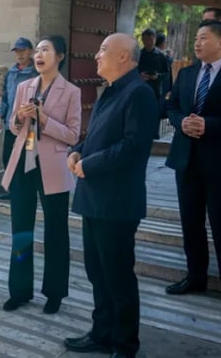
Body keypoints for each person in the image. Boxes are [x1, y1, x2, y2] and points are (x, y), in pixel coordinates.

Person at [63, 33, 158, 358]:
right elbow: (95, 138)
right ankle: (101, 333)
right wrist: (77, 152)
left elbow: (133, 148)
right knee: (96, 272)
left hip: (117, 202)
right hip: (93, 198)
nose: (97, 55)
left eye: (104, 50)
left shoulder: (140, 94)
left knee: (117, 276)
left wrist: (89, 165)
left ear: (124, 57)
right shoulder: (110, 92)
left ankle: (125, 344)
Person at [163, 20, 221, 315]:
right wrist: (182, 123)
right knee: (191, 222)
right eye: (196, 38)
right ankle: (196, 276)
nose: (197, 43)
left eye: (203, 38)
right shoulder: (188, 73)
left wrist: (210, 125)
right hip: (186, 159)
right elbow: (172, 107)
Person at [0, 35, 81, 315]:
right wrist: (20, 118)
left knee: (56, 231)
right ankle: (19, 290)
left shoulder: (71, 91)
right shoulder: (24, 86)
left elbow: (72, 134)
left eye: (45, 49)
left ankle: (55, 293)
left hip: (54, 168)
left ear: (59, 56)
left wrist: (43, 117)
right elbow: (12, 126)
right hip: (25, 162)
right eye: (37, 50)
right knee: (20, 229)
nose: (38, 54)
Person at [0, 37, 38, 200]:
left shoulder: (36, 73)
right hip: (10, 124)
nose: (20, 55)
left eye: (23, 51)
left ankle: (29, 190)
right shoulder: (11, 73)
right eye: (17, 51)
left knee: (28, 158)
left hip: (30, 127)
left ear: (31, 51)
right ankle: (13, 190)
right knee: (8, 156)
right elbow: (6, 97)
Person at [137, 28, 169, 138]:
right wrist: (140, 76)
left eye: (151, 40)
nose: (148, 42)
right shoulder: (138, 55)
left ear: (154, 40)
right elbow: (132, 71)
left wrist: (157, 76)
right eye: (146, 40)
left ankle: (154, 135)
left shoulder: (161, 56)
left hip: (155, 89)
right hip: (140, 88)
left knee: (154, 113)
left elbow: (166, 73)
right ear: (142, 40)